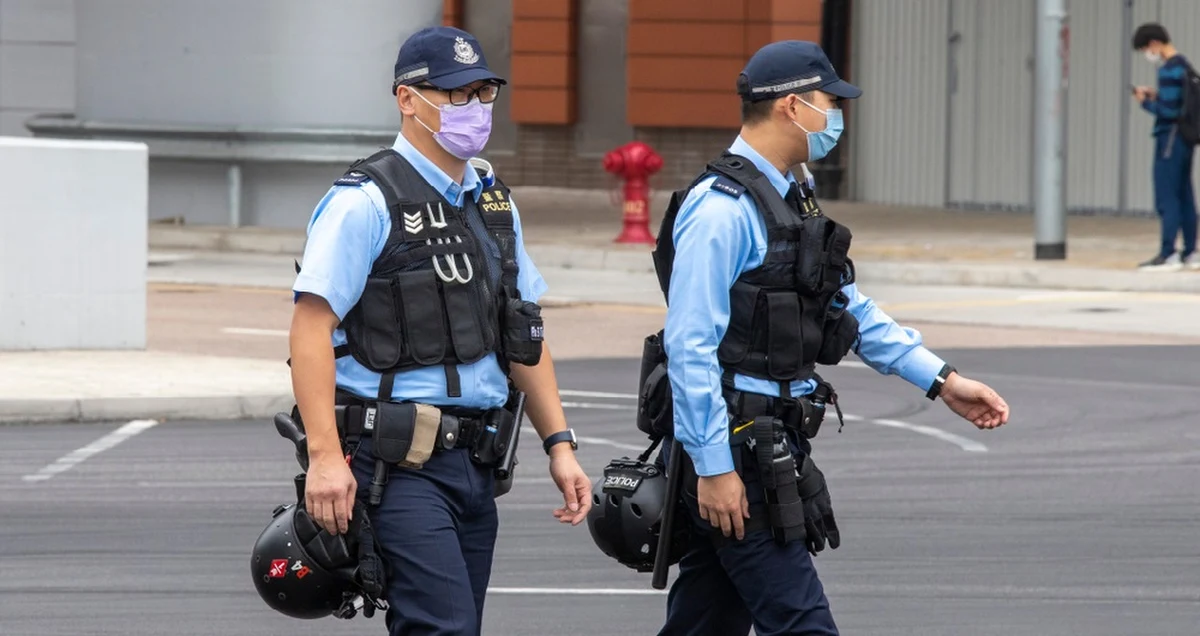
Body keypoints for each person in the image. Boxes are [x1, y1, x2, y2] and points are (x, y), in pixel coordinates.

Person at [653, 41, 1011, 636]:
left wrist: (940, 379)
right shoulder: (721, 211)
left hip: (767, 437)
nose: (837, 116)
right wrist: (713, 468)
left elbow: (845, 305)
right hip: (736, 446)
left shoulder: (792, 193)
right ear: (792, 106)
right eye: (830, 101)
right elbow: (690, 348)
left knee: (705, 623)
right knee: (803, 625)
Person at [288, 25, 592, 636]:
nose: (473, 107)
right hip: (398, 467)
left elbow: (523, 332)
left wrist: (560, 445)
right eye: (455, 94)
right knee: (443, 627)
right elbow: (310, 330)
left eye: (483, 92)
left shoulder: (493, 203)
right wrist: (323, 459)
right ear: (407, 99)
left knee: (457, 625)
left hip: (477, 466)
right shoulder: (364, 201)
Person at [1131, 23, 1199, 271]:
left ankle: (1168, 252)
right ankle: (1190, 251)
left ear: (1154, 44)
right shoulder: (1184, 65)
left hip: (1169, 139)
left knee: (1167, 196)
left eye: (1145, 49)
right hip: (1186, 139)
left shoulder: (1168, 70)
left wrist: (1144, 103)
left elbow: (1169, 112)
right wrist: (1157, 96)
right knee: (1185, 195)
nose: (1147, 54)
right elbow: (1178, 102)